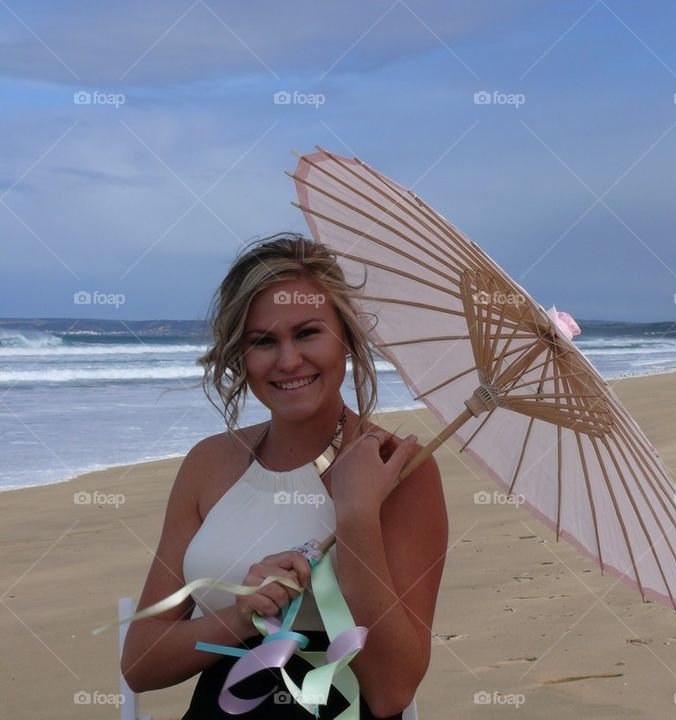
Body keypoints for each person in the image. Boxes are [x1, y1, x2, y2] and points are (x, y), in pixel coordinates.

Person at [121, 233, 448, 719]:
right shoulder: (208, 462)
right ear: (241, 354)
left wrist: (357, 514)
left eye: (308, 332)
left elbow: (391, 690)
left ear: (346, 336)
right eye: (264, 341)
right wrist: (242, 615)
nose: (288, 361)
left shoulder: (400, 470)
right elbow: (140, 663)